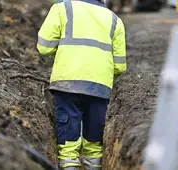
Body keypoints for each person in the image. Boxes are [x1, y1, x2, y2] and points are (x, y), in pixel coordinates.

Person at [37, 0, 126, 169]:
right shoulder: (115, 20)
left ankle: (69, 165)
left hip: (67, 82)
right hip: (99, 86)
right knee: (94, 138)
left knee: (68, 135)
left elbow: (44, 47)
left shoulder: (62, 9)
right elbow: (120, 66)